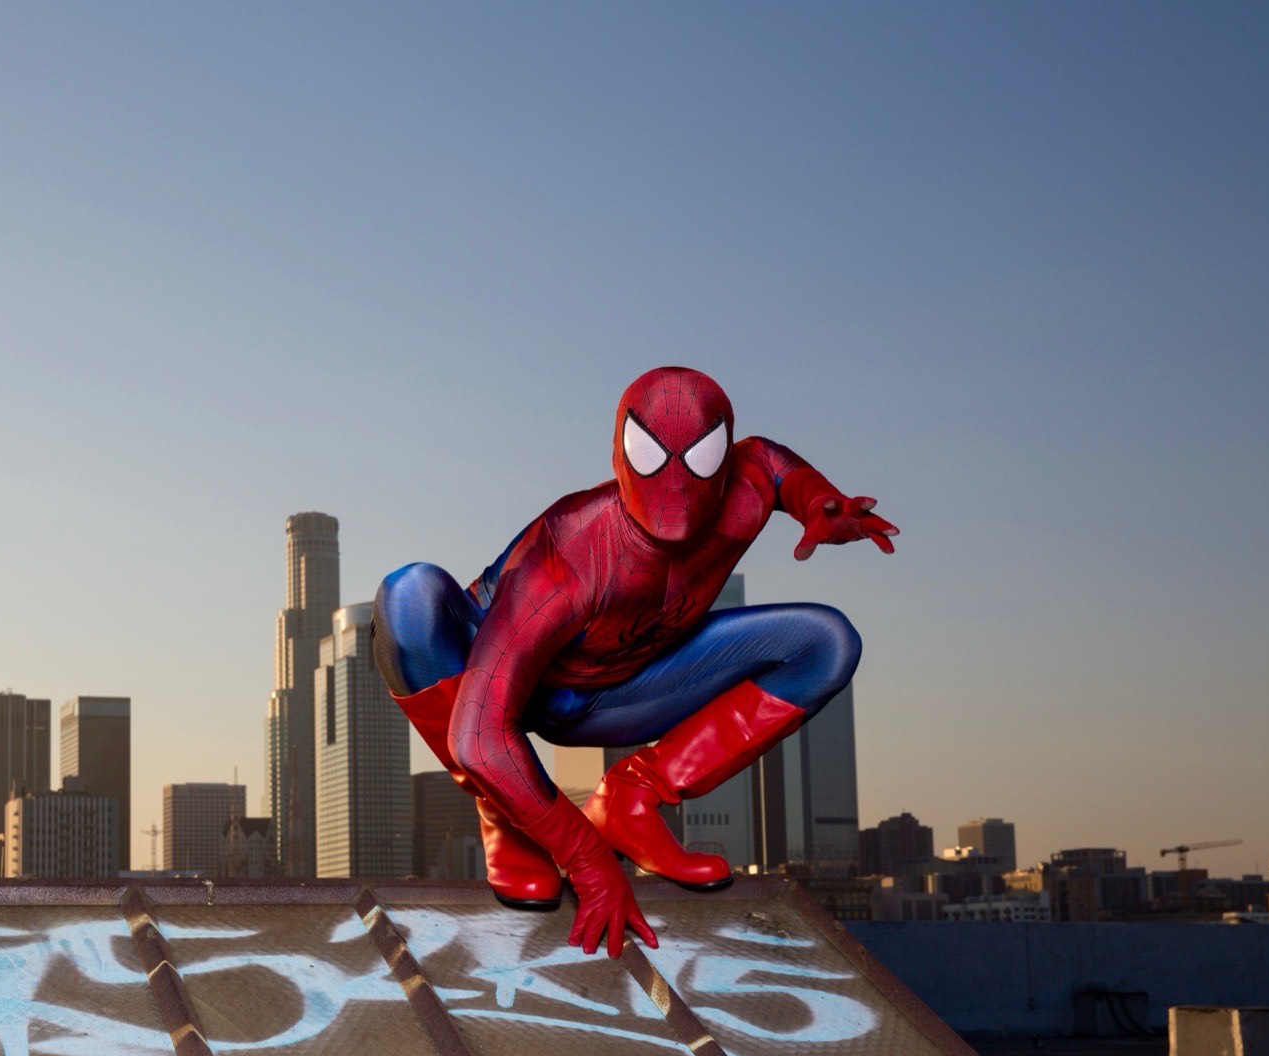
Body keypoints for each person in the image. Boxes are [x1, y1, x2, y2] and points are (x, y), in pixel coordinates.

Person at [372, 367, 898, 956]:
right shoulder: (569, 551)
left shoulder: (745, 487)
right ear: (620, 453)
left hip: (624, 688)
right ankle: (504, 811)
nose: (674, 483)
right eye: (651, 456)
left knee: (826, 643)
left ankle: (631, 796)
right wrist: (589, 862)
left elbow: (772, 463)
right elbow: (479, 736)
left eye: (698, 459)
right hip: (498, 685)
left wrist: (816, 501)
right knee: (409, 596)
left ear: (723, 462)